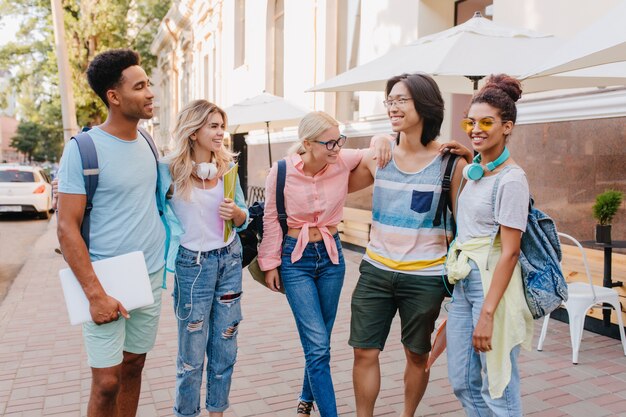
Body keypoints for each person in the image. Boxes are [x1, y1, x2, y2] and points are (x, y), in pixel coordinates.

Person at [346, 72, 466, 417]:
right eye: (390, 101)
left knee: (417, 354)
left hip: (426, 277)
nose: (393, 107)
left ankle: (407, 415)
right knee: (364, 351)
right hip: (376, 273)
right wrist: (375, 139)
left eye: (401, 100)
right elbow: (331, 177)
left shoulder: (451, 163)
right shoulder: (377, 158)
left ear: (425, 105)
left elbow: (469, 222)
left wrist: (470, 157)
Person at [257, 111, 390, 417]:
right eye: (329, 142)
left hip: (332, 258)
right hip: (295, 260)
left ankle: (306, 398)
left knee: (322, 339)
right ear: (307, 143)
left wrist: (381, 137)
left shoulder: (341, 160)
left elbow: (375, 151)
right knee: (317, 345)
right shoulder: (280, 171)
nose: (336, 147)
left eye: (339, 140)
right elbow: (270, 221)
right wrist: (269, 264)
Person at [56, 49, 166, 417]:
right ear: (114, 97)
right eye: (140, 87)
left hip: (149, 275)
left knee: (134, 366)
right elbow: (66, 226)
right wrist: (95, 294)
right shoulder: (83, 149)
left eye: (149, 84)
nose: (150, 93)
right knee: (106, 383)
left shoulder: (149, 142)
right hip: (106, 280)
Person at [443, 74, 534, 417]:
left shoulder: (512, 180)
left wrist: (488, 314)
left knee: (498, 385)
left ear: (507, 126)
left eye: (486, 122)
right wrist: (470, 155)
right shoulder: (475, 170)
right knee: (463, 382)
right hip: (465, 282)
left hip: (491, 287)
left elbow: (510, 251)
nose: (475, 129)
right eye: (470, 122)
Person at [157, 99, 248, 417]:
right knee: (191, 355)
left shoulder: (228, 169)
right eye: (214, 125)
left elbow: (244, 217)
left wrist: (237, 213)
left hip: (230, 261)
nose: (221, 132)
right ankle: (186, 413)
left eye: (223, 125)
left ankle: (217, 412)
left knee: (225, 348)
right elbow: (149, 209)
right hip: (191, 266)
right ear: (194, 131)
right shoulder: (167, 171)